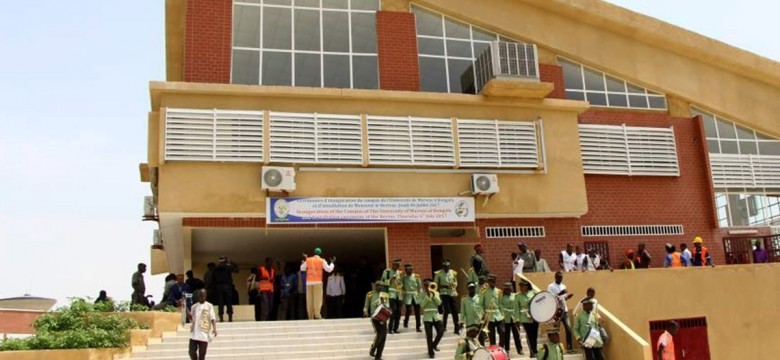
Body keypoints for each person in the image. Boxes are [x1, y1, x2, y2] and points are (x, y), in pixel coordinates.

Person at [301, 247, 335, 319]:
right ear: (320, 253)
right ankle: (317, 315)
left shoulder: (308, 260)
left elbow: (302, 268)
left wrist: (305, 261)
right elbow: (329, 269)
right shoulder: (322, 260)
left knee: (309, 300)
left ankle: (310, 316)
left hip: (309, 282)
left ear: (314, 252)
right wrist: (332, 263)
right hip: (318, 282)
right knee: (317, 299)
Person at [548, 271, 575, 353]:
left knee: (569, 328)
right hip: (556, 311)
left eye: (561, 277)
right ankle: (557, 348)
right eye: (559, 277)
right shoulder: (551, 286)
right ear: (555, 277)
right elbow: (551, 298)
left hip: (564, 310)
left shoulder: (563, 286)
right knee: (556, 330)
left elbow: (563, 299)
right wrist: (561, 293)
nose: (560, 279)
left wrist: (568, 297)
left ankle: (569, 347)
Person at [188, 289, 217, 360]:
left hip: (204, 333)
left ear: (205, 296)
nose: (201, 297)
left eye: (202, 295)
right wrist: (186, 311)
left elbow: (212, 318)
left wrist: (215, 328)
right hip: (194, 333)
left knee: (202, 355)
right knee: (191, 351)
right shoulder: (194, 306)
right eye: (200, 295)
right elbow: (191, 318)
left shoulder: (209, 306)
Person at [364, 281, 389, 360]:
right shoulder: (370, 294)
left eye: (381, 286)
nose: (379, 287)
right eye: (377, 285)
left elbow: (387, 305)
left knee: (384, 336)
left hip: (383, 317)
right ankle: (373, 348)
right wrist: (365, 311)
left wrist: (382, 303)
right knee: (379, 334)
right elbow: (366, 305)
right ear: (375, 286)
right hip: (375, 317)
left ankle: (378, 356)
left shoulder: (385, 295)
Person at [433, 259, 460, 334]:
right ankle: (443, 327)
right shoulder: (439, 273)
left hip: (452, 292)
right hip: (444, 293)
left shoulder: (453, 272)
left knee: (455, 310)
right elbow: (435, 284)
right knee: (446, 310)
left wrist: (454, 285)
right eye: (445, 266)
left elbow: (456, 282)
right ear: (443, 266)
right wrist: (443, 286)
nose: (446, 268)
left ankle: (456, 328)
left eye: (447, 266)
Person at [420, 278, 443, 358]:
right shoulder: (422, 294)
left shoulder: (436, 293)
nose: (427, 287)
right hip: (427, 316)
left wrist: (433, 296)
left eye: (429, 285)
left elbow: (439, 303)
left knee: (441, 331)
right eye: (426, 285)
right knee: (429, 335)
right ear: (424, 286)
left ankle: (434, 345)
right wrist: (427, 297)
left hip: (436, 316)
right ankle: (431, 352)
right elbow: (422, 305)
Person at [516, 279, 539, 358]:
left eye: (522, 286)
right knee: (529, 335)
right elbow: (516, 309)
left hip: (535, 316)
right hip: (525, 318)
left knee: (534, 334)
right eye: (520, 286)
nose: (521, 287)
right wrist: (517, 320)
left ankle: (535, 350)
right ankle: (533, 351)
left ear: (527, 286)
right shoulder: (518, 296)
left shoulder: (534, 293)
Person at [212, 256, 239, 322]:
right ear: (225, 260)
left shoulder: (215, 269)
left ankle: (221, 318)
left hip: (219, 287)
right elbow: (237, 270)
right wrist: (231, 262)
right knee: (229, 302)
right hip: (227, 286)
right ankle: (230, 317)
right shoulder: (228, 267)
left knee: (220, 302)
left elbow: (213, 279)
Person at [480, 274, 504, 346]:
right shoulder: (484, 291)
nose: (492, 282)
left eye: (493, 281)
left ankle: (501, 346)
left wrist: (503, 315)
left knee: (502, 331)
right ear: (488, 281)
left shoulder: (499, 291)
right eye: (490, 281)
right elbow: (481, 304)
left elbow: (500, 304)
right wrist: (483, 314)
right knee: (492, 335)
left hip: (498, 315)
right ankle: (494, 349)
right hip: (489, 316)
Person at [500, 282, 523, 356]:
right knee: (507, 335)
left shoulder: (515, 296)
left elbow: (518, 306)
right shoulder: (502, 297)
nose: (509, 290)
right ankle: (507, 349)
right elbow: (500, 307)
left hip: (514, 317)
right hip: (506, 318)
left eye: (510, 289)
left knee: (516, 334)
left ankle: (519, 349)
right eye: (507, 289)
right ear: (505, 290)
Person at [381, 259, 403, 333]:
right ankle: (390, 328)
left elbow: (401, 284)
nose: (398, 267)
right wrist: (391, 279)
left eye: (399, 265)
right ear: (393, 264)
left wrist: (400, 283)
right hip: (391, 294)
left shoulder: (399, 272)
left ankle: (396, 328)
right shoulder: (387, 272)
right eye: (396, 265)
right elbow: (383, 282)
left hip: (398, 295)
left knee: (399, 313)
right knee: (393, 311)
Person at [402, 264, 422, 332]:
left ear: (411, 270)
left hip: (415, 295)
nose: (407, 271)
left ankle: (418, 326)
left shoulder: (416, 277)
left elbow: (419, 287)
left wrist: (420, 296)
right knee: (409, 310)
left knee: (417, 312)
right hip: (408, 295)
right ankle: (406, 321)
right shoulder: (404, 277)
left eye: (409, 270)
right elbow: (402, 287)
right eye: (406, 270)